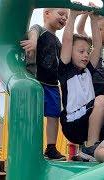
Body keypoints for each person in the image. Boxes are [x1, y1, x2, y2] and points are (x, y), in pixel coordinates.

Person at [58, 9, 104, 161]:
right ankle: (90, 148)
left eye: (87, 52)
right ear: (70, 53)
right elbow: (68, 41)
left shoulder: (88, 70)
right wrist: (73, 16)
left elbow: (97, 45)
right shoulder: (65, 70)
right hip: (73, 125)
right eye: (81, 51)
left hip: (88, 122)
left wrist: (93, 19)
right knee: (101, 99)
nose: (86, 55)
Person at [20, 8, 69, 160]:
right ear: (47, 13)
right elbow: (32, 32)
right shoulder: (40, 30)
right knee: (34, 115)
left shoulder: (58, 41)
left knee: (54, 115)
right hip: (36, 82)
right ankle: (32, 146)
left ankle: (51, 148)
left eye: (66, 17)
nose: (64, 18)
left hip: (53, 85)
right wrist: (33, 42)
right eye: (61, 14)